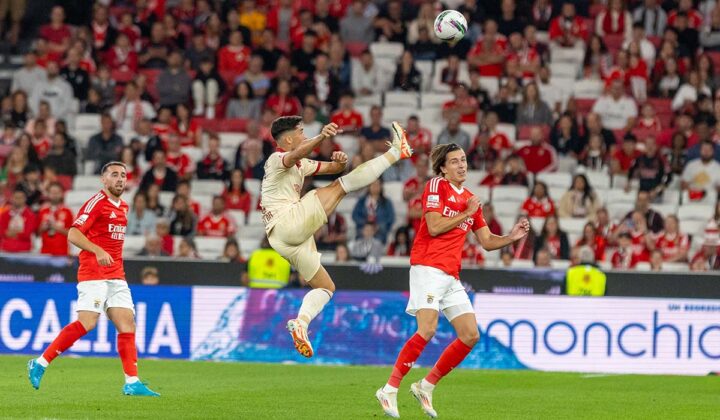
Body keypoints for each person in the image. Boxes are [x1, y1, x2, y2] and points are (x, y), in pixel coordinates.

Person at [375, 143, 530, 419]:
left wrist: (510, 237)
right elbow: (433, 226)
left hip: (450, 275)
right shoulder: (437, 186)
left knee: (470, 334)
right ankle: (389, 389)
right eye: (455, 161)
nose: (462, 165)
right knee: (427, 330)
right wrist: (467, 213)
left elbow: (486, 241)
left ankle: (426, 385)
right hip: (428, 267)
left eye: (464, 160)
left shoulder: (471, 199)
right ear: (443, 168)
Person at [261, 117, 412, 358]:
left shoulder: (302, 163)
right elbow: (294, 155)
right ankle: (396, 153)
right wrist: (321, 137)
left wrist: (339, 162)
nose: (304, 135)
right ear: (288, 139)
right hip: (286, 222)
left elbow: (331, 169)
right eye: (301, 132)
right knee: (341, 187)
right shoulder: (276, 159)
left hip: (283, 239)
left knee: (326, 287)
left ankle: (301, 323)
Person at [27, 162, 159, 396]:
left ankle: (132, 381)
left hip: (117, 274)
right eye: (114, 175)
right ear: (103, 180)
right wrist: (97, 251)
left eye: (123, 175)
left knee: (127, 324)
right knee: (87, 323)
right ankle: (40, 363)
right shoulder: (96, 203)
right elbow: (73, 233)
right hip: (93, 272)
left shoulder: (124, 207)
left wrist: (110, 259)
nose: (120, 179)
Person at [37, 182, 74, 256]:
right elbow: (37, 232)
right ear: (48, 194)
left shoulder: (68, 211)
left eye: (57, 192)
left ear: (62, 194)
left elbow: (72, 234)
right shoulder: (43, 210)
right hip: (45, 252)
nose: (54, 195)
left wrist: (56, 227)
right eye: (52, 192)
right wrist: (43, 227)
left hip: (62, 252)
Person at [0, 188, 37, 252]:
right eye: (15, 198)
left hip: (24, 249)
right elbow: (1, 231)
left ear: (25, 199)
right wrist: (18, 232)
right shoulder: (5, 214)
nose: (17, 200)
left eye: (20, 198)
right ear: (12, 198)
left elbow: (27, 234)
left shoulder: (30, 215)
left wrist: (10, 233)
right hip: (6, 248)